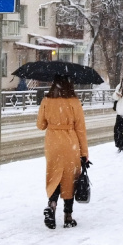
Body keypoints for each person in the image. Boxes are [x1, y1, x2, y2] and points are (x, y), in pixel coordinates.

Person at [36, 75, 88, 230]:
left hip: (52, 143)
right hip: (70, 143)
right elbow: (81, 129)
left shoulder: (46, 100)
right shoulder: (74, 102)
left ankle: (51, 206)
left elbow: (40, 125)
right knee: (70, 178)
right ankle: (68, 216)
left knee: (54, 176)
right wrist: (84, 152)